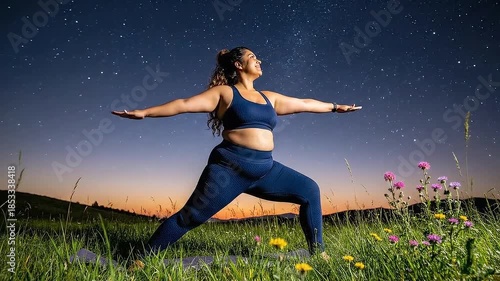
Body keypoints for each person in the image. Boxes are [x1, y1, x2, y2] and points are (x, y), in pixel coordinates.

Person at [112, 46, 362, 259]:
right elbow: (183, 104)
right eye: (253, 57)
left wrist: (334, 107)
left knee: (309, 190)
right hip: (229, 169)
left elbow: (304, 103)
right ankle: (139, 258)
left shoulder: (269, 98)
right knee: (190, 217)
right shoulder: (224, 93)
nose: (259, 60)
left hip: (266, 169)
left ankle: (319, 254)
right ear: (238, 64)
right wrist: (145, 112)